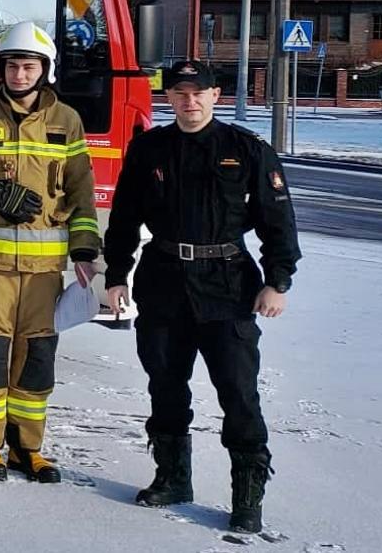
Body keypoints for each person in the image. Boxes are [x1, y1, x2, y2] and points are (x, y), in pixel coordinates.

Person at [102, 59, 299, 535]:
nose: (189, 101)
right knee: (165, 385)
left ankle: (247, 496)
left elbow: (278, 220)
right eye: (179, 93)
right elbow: (124, 217)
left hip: (227, 285)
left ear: (215, 96)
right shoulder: (149, 149)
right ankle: (172, 478)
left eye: (198, 93)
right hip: (164, 280)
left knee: (238, 392)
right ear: (168, 97)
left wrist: (278, 281)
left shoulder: (246, 149)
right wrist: (116, 274)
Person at [0, 21, 100, 482]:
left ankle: (27, 448)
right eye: (11, 66)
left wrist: (85, 249)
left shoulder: (66, 121)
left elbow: (81, 189)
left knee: (36, 359)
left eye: (28, 67)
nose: (18, 74)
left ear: (44, 70)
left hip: (44, 269)